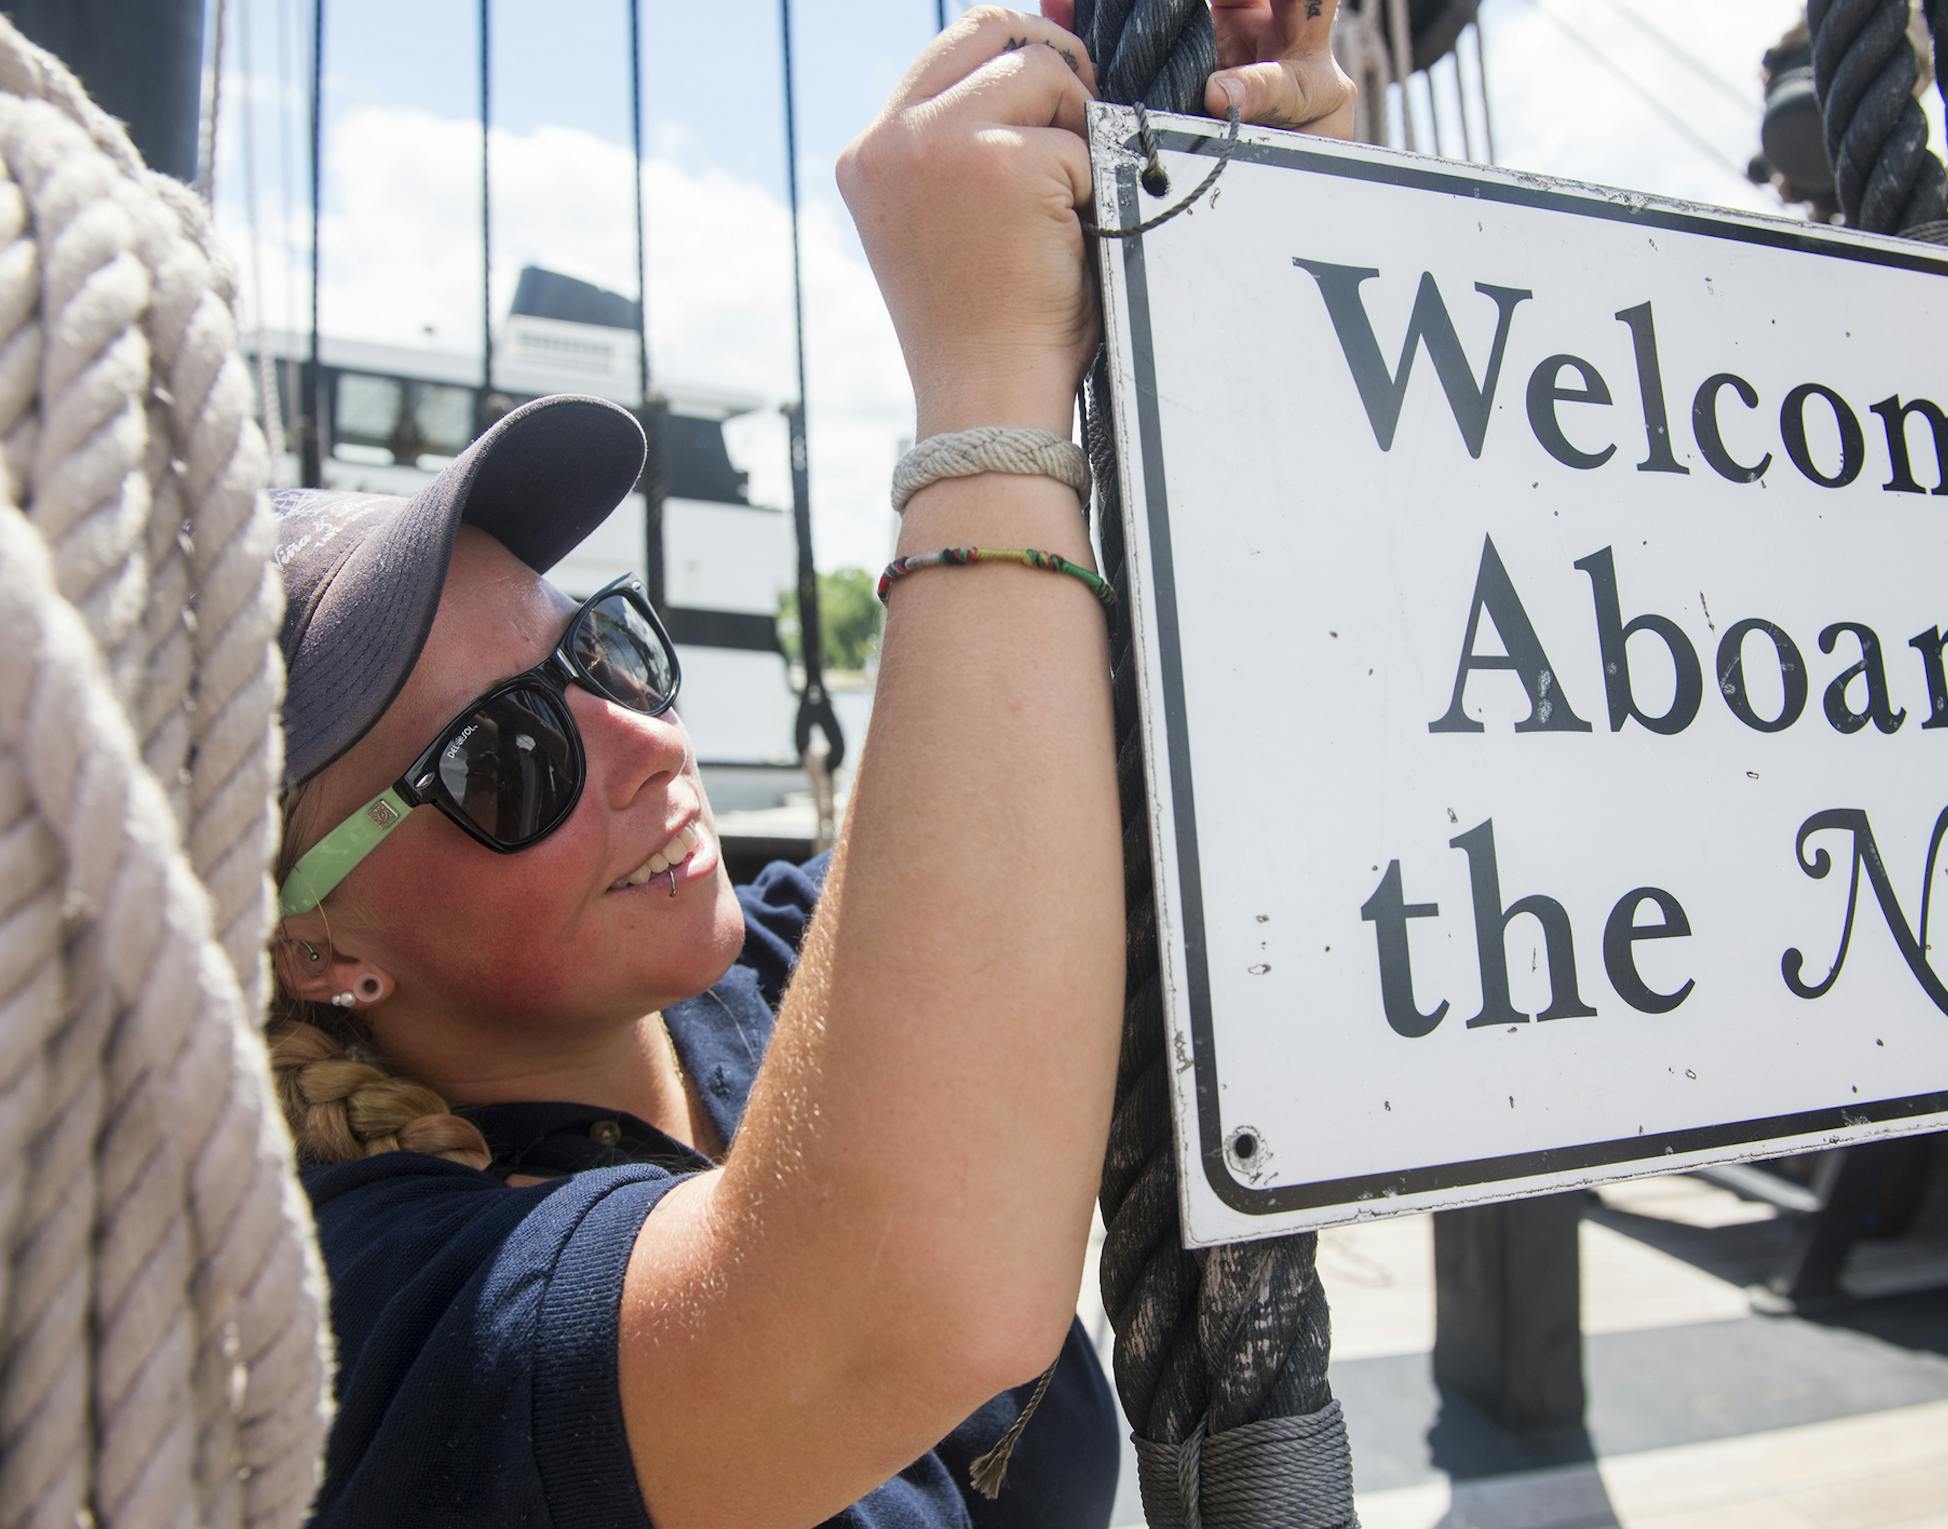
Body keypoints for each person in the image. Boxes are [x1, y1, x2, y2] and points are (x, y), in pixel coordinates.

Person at [263, 6, 1354, 1526]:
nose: (640, 741)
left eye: (608, 652)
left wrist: (1260, 284)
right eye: (507, 755)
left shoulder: (795, 980)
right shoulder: (342, 1320)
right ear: (320, 944)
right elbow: (897, 1294)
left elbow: (1219, 805)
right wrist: (984, 379)